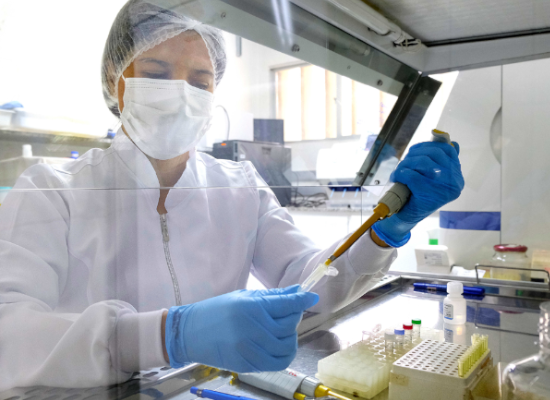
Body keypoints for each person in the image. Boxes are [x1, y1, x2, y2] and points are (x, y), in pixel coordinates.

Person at [0, 0, 464, 391]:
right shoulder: (52, 191)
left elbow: (307, 286)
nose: (180, 95)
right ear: (114, 76)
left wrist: (383, 232)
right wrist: (166, 335)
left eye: (199, 82)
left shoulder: (237, 186)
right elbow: (9, 335)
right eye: (158, 73)